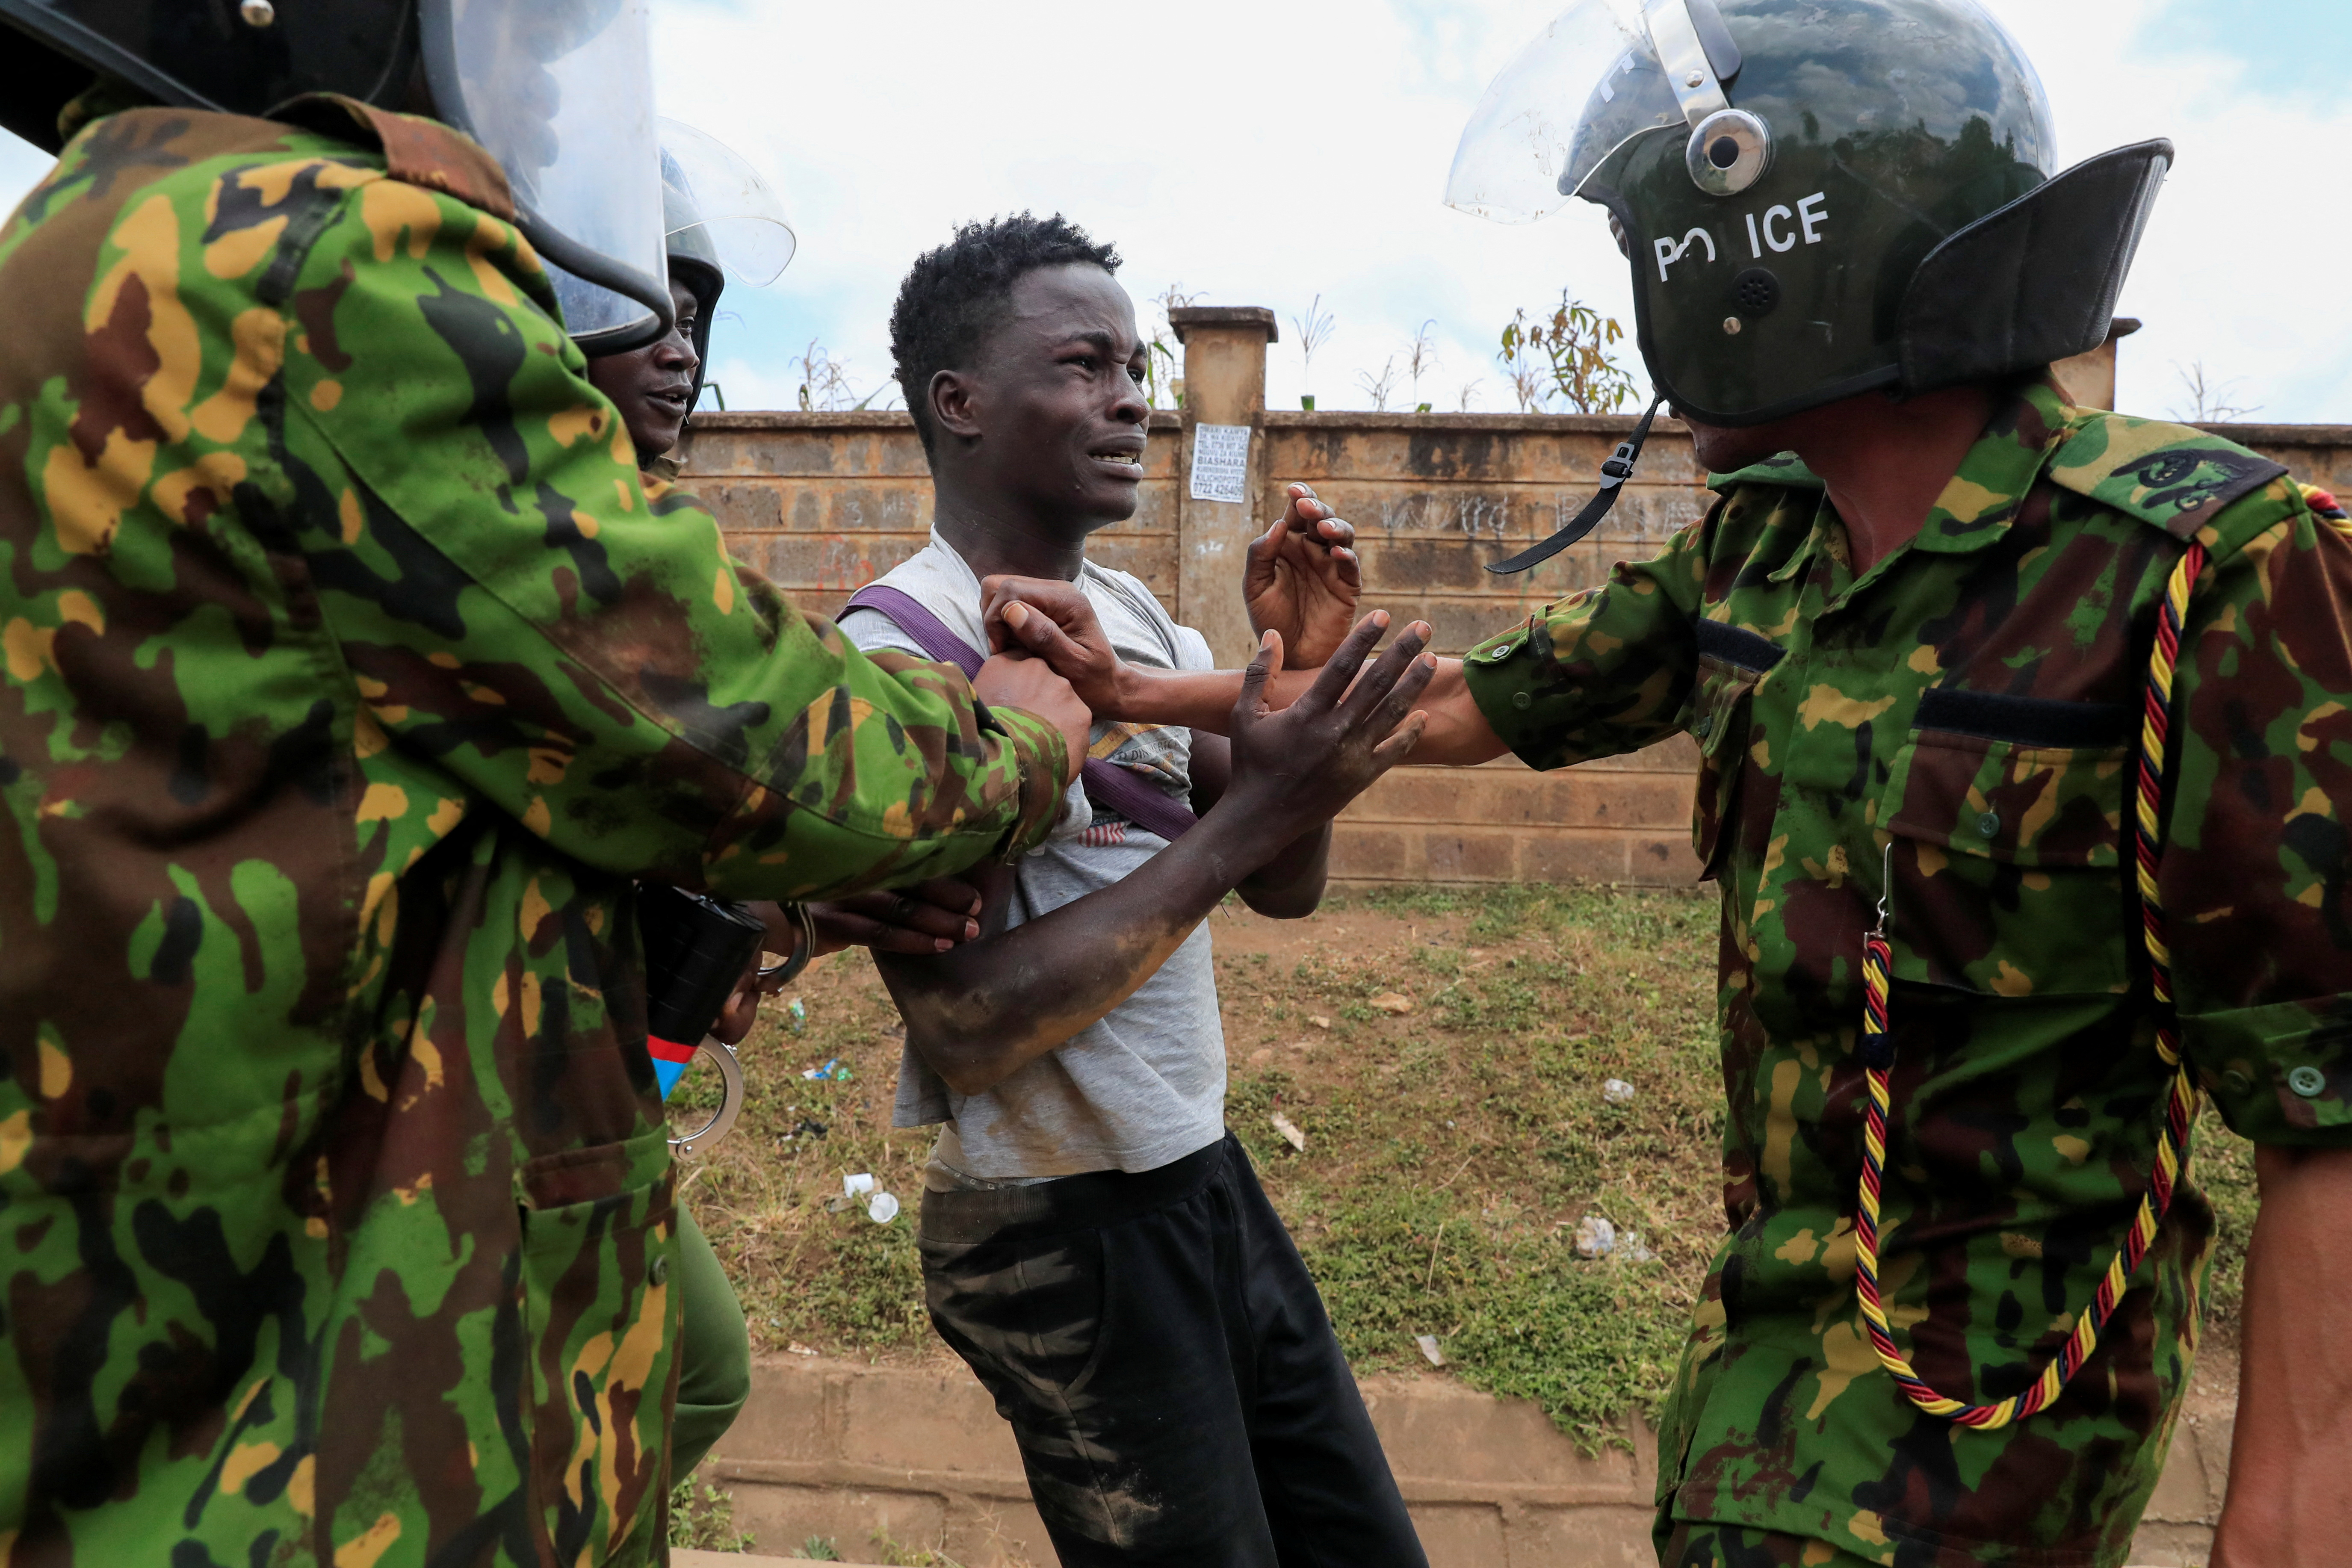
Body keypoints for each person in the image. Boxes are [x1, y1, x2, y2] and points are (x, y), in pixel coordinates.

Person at [983, 3, 2352, 1564]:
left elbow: (2327, 1099)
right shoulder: (1763, 543)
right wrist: (1141, 686)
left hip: (1995, 1427)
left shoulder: (2203, 569)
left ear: (1774, 246)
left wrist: (2290, 1528)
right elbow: (1448, 709)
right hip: (1752, 1377)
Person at [0, 9, 1094, 1565]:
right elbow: (741, 725)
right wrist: (1021, 733)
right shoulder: (315, 256)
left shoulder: (97, 240)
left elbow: (350, 782)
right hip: (317, 1416)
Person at [833, 212, 1436, 1568]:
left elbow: (1282, 879)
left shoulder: (1146, 621)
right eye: (1085, 366)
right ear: (960, 402)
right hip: (1057, 1221)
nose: (1131, 401)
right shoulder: (901, 646)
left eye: (1135, 369)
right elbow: (967, 1023)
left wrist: (1288, 672)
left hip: (1195, 1179)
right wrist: (1249, 818)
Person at [577, 126, 1005, 1483]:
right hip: (469, 1085)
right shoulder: (559, 544)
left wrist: (782, 914)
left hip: (587, 1069)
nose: (677, 344)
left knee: (688, 1373)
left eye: (696, 315)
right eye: (634, 304)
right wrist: (1029, 742)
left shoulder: (621, 532)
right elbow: (820, 761)